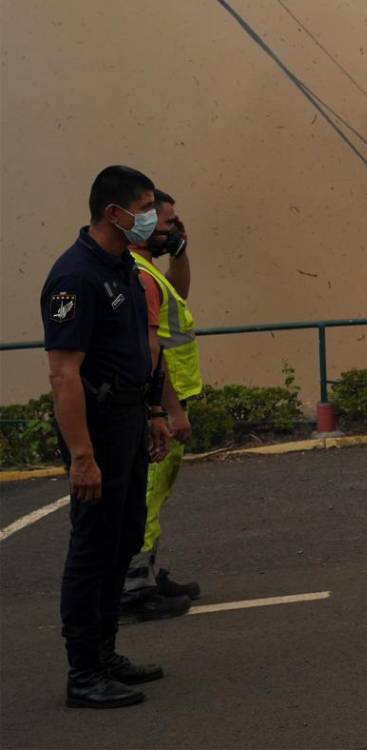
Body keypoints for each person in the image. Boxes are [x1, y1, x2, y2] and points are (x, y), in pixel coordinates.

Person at [41, 165, 172, 709]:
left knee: (124, 539)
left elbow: (137, 350)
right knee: (92, 547)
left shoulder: (121, 266)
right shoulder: (74, 276)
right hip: (95, 428)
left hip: (128, 420)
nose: (150, 217)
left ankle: (106, 651)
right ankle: (83, 672)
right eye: (143, 206)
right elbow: (63, 373)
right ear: (113, 212)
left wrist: (154, 411)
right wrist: (82, 456)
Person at [121, 189, 203, 621]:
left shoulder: (153, 270)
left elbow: (181, 297)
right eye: (167, 223)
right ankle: (135, 587)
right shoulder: (140, 275)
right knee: (149, 495)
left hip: (170, 397)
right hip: (164, 401)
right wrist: (171, 411)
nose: (171, 228)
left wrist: (181, 249)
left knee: (156, 491)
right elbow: (155, 351)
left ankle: (146, 574)